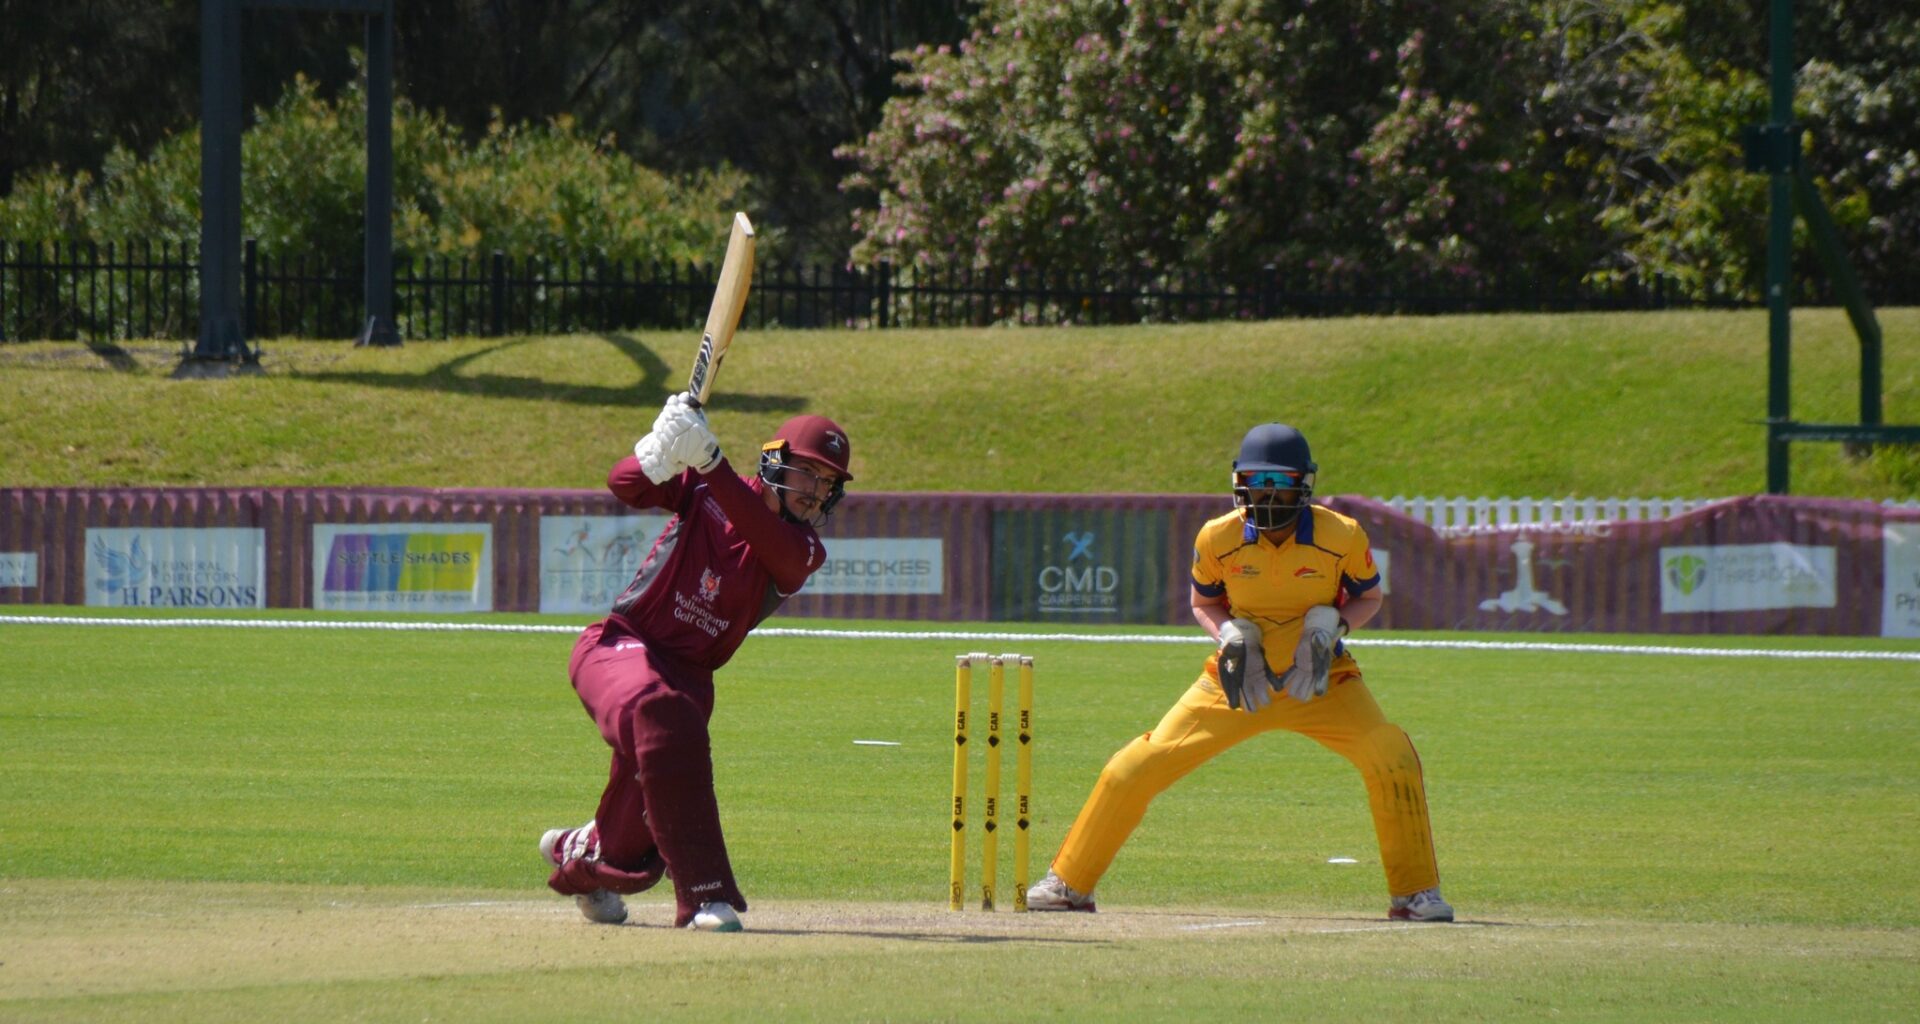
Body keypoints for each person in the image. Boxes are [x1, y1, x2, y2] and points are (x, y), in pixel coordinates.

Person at [1025, 422, 1454, 923]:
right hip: (1237, 680)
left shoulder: (1341, 535)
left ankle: (1415, 893)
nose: (1267, 494)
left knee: (1392, 755)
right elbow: (1203, 602)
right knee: (1135, 765)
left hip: (1320, 678)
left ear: (1303, 485)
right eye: (1256, 481)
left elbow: (1369, 597)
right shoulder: (1218, 536)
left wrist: (1334, 626)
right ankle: (1068, 884)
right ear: (1239, 482)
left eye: (1280, 482)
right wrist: (1228, 635)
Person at [538, 392, 852, 931]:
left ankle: (583, 851)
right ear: (774, 461)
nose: (816, 491)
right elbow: (624, 485)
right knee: (662, 711)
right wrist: (658, 448)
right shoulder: (706, 487)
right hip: (620, 647)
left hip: (689, 685)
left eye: (827, 483)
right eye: (808, 474)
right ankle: (707, 895)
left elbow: (763, 536)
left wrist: (709, 460)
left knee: (629, 852)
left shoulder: (802, 550)